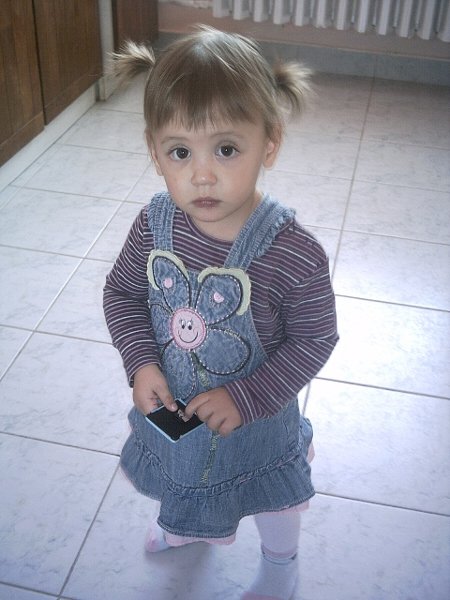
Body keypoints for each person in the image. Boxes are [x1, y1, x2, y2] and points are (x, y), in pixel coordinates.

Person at [103, 25, 338, 600]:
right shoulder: (153, 225)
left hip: (256, 421)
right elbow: (122, 295)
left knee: (272, 497)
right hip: (176, 409)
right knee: (182, 475)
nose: (201, 174)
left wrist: (247, 396)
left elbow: (315, 339)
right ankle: (185, 526)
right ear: (154, 151)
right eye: (180, 151)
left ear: (269, 143)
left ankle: (281, 564)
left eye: (226, 149)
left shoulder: (292, 251)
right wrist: (141, 363)